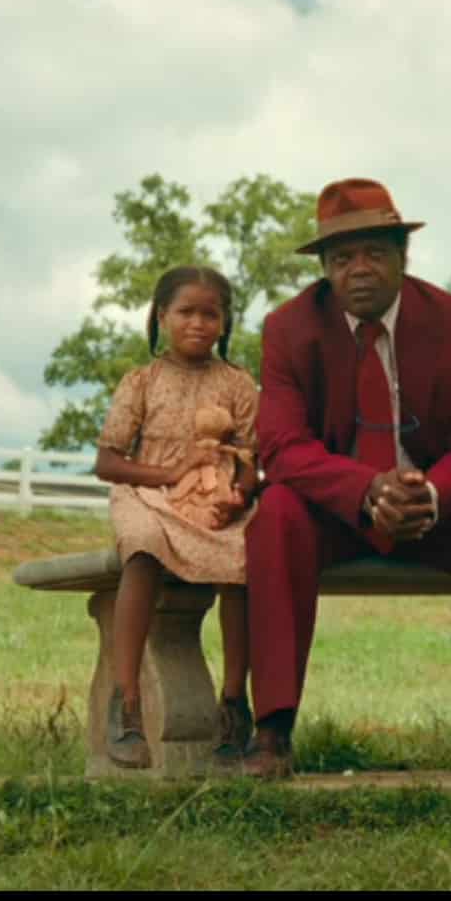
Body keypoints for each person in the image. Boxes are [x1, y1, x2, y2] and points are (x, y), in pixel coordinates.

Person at [241, 178, 451, 779]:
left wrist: (428, 494)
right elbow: (281, 445)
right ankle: (271, 731)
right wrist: (363, 490)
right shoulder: (288, 329)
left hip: (433, 510)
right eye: (342, 258)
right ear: (324, 269)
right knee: (274, 513)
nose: (359, 270)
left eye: (375, 253)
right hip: (334, 511)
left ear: (404, 257)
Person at [93, 265, 260, 768]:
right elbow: (108, 461)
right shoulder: (141, 382)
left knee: (244, 557)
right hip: (147, 492)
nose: (198, 323)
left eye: (211, 314)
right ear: (162, 316)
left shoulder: (237, 384)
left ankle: (233, 705)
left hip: (216, 499)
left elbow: (253, 459)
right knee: (141, 547)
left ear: (226, 323)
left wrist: (238, 493)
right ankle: (126, 705)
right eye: (186, 312)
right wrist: (168, 474)